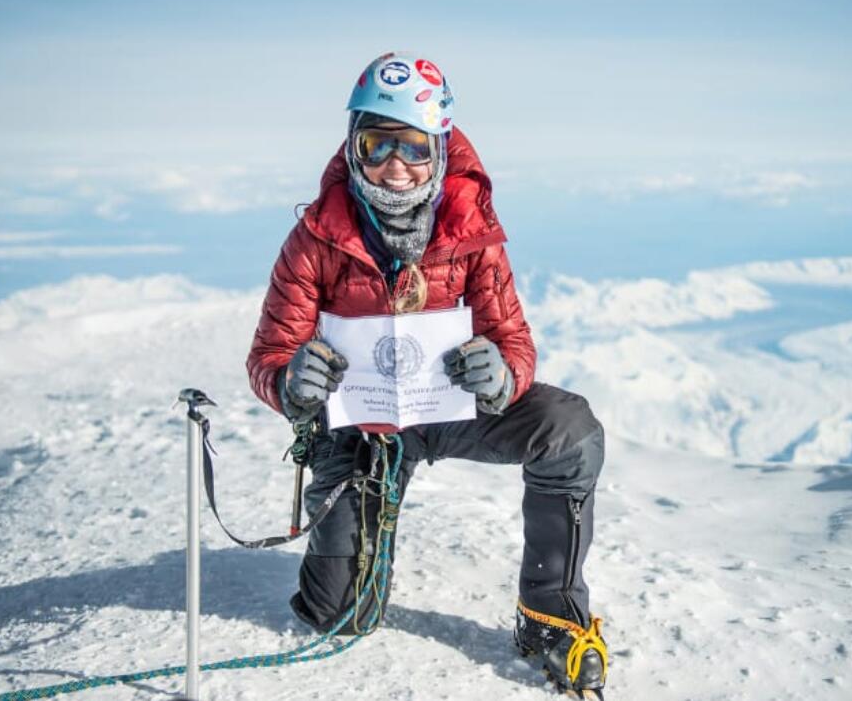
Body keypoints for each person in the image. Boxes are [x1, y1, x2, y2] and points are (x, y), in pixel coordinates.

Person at [246, 52, 608, 697]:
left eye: (413, 147)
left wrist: (503, 377)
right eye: (376, 144)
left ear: (438, 149)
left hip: (449, 411)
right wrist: (289, 385)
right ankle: (341, 580)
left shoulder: (472, 233)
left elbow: (513, 340)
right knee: (340, 617)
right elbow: (271, 353)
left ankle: (552, 617)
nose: (395, 165)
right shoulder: (315, 239)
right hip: (361, 429)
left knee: (568, 431)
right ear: (353, 147)